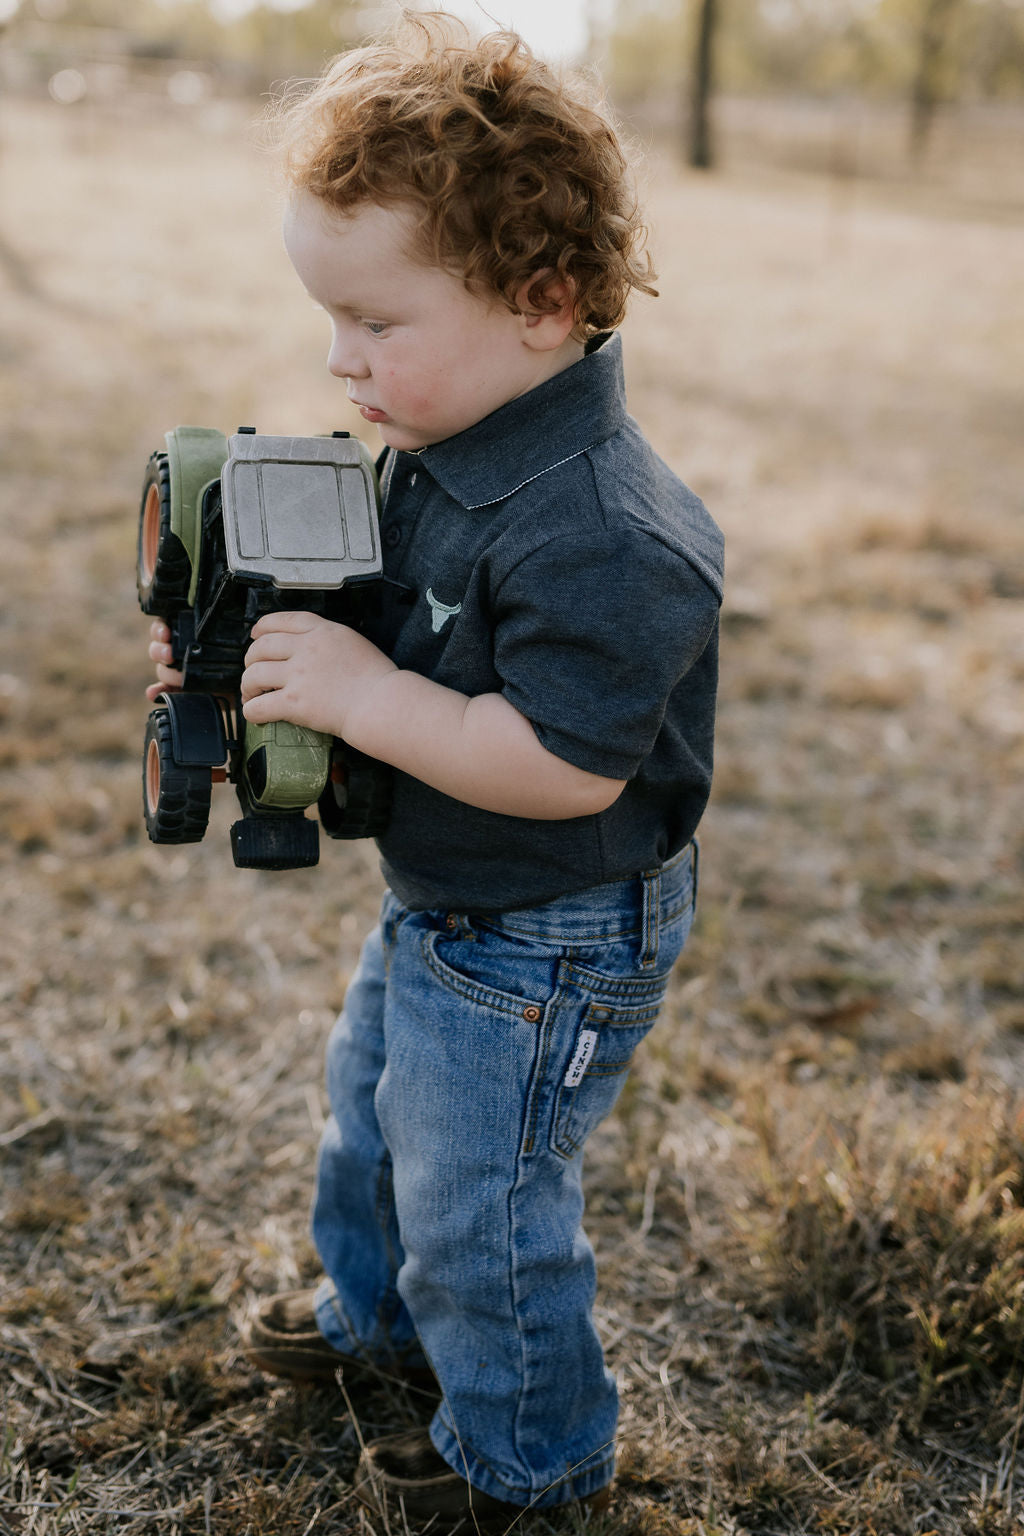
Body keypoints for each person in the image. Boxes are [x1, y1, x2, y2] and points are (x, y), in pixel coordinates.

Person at [147, 10, 724, 1527]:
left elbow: (559, 769)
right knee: (374, 1124)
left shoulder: (609, 530)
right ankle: (378, 1332)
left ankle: (529, 1470)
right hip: (449, 898)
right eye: (331, 318)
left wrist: (364, 694)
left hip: (551, 927)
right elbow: (366, 623)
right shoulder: (445, 436)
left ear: (542, 301)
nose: (341, 359)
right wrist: (260, 667)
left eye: (376, 322)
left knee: (484, 1204)